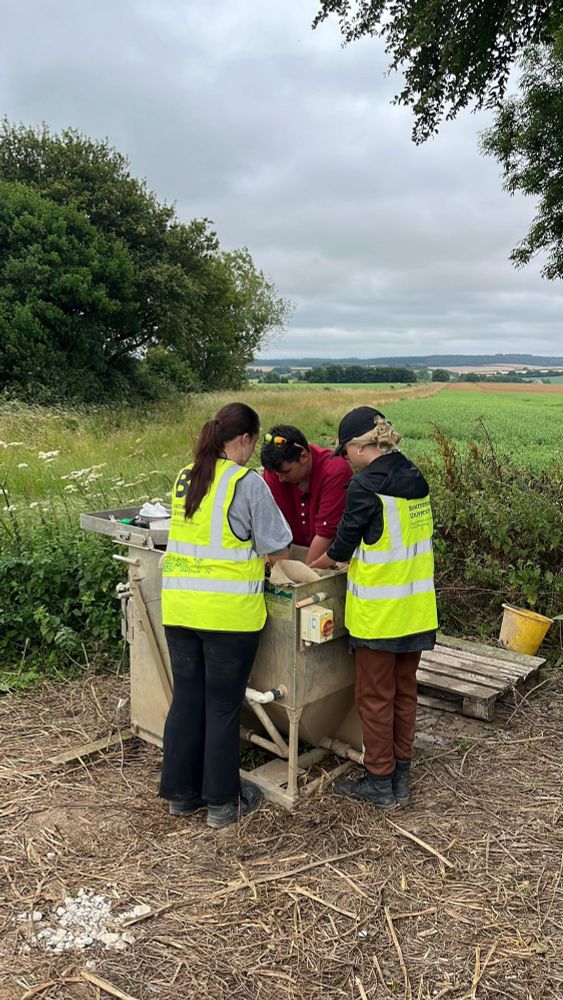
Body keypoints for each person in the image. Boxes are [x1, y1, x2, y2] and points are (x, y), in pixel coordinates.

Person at [159, 402, 292, 829]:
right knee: (222, 707)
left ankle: (181, 796)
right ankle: (222, 803)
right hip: (228, 617)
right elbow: (278, 546)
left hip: (180, 610)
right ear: (245, 439)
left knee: (187, 699)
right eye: (253, 443)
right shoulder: (245, 482)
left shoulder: (185, 476)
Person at [311, 406, 438, 809]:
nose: (345, 459)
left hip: (380, 616)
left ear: (358, 446)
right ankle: (401, 774)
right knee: (404, 693)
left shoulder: (365, 486)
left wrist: (307, 570)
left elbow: (341, 548)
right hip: (416, 610)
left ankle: (379, 782)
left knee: (375, 697)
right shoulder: (415, 475)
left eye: (345, 450)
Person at [260, 424, 352, 565]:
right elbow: (270, 526)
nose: (280, 479)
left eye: (286, 472)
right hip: (291, 552)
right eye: (276, 473)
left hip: (331, 557)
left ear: (303, 455)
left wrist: (303, 579)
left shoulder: (335, 471)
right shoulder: (273, 474)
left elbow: (326, 533)